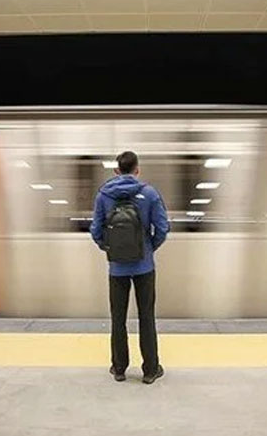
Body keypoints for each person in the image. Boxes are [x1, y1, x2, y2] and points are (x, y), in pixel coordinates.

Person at [90, 151, 169, 384]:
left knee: (118, 318)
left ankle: (119, 368)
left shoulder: (104, 195)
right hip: (144, 267)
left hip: (117, 269)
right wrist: (148, 249)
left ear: (116, 171)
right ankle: (150, 370)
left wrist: (110, 249)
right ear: (137, 169)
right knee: (147, 317)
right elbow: (163, 228)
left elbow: (95, 230)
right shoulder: (150, 193)